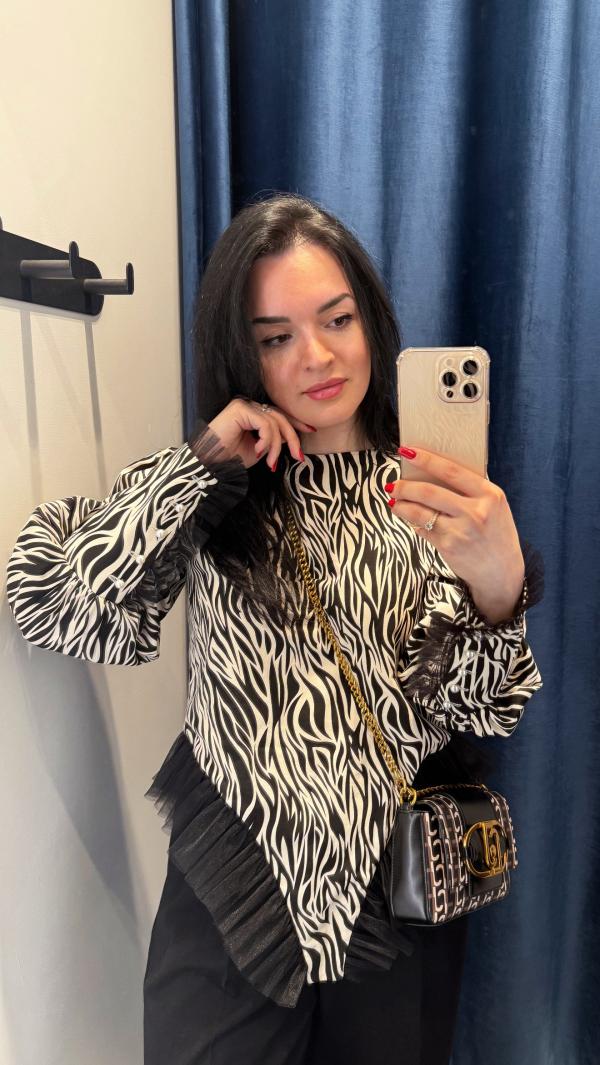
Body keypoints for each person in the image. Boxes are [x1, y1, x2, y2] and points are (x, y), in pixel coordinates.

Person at [6, 192, 544, 1065]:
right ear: (241, 351)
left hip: (395, 902)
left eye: (337, 319)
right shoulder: (214, 488)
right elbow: (60, 604)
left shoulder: (442, 497)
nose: (317, 356)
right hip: (235, 893)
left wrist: (501, 585)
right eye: (276, 336)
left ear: (371, 319)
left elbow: (486, 711)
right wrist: (200, 463)